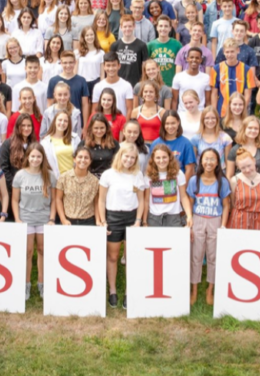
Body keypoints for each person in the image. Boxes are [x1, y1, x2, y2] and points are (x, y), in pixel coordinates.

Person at [98, 143, 149, 309]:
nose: (129, 160)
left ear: (136, 160)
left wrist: (138, 221)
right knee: (112, 257)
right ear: (120, 156)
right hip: (113, 217)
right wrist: (104, 221)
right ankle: (112, 291)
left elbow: (141, 200)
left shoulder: (137, 175)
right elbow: (101, 200)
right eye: (126, 156)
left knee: (130, 258)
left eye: (132, 158)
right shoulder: (108, 174)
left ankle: (129, 292)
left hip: (131, 218)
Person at [11, 143, 56, 301]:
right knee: (27, 252)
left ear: (43, 158)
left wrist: (52, 218)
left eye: (38, 156)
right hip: (26, 219)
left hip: (44, 219)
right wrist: (17, 219)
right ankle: (26, 284)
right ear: (27, 157)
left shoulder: (49, 175)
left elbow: (54, 201)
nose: (35, 159)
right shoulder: (20, 175)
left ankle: (42, 283)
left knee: (43, 251)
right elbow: (15, 199)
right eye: (33, 156)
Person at [186, 149, 230, 305]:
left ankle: (210, 289)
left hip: (215, 220)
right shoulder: (194, 180)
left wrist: (223, 225)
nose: (209, 162)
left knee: (213, 257)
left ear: (218, 162)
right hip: (198, 219)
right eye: (206, 159)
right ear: (201, 161)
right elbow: (190, 203)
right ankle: (194, 290)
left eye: (212, 159)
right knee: (196, 256)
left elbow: (226, 205)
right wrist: (189, 223)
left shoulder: (222, 182)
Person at [54, 147, 101, 226]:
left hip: (88, 221)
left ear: (90, 161)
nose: (83, 160)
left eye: (86, 158)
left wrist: (98, 221)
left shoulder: (95, 181)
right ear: (74, 159)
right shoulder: (64, 178)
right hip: (68, 221)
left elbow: (96, 202)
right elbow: (58, 199)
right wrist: (63, 219)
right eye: (80, 157)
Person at [226, 147, 260, 230]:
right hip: (239, 220)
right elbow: (232, 202)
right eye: (243, 168)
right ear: (238, 168)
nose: (247, 170)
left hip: (258, 220)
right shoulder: (235, 180)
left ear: (254, 161)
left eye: (249, 165)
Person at [149, 110, 197, 180]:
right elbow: (152, 166)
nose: (170, 126)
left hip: (179, 183)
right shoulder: (155, 143)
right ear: (163, 124)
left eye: (173, 123)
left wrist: (183, 187)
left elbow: (189, 169)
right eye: (167, 123)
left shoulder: (186, 143)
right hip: (159, 183)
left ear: (178, 122)